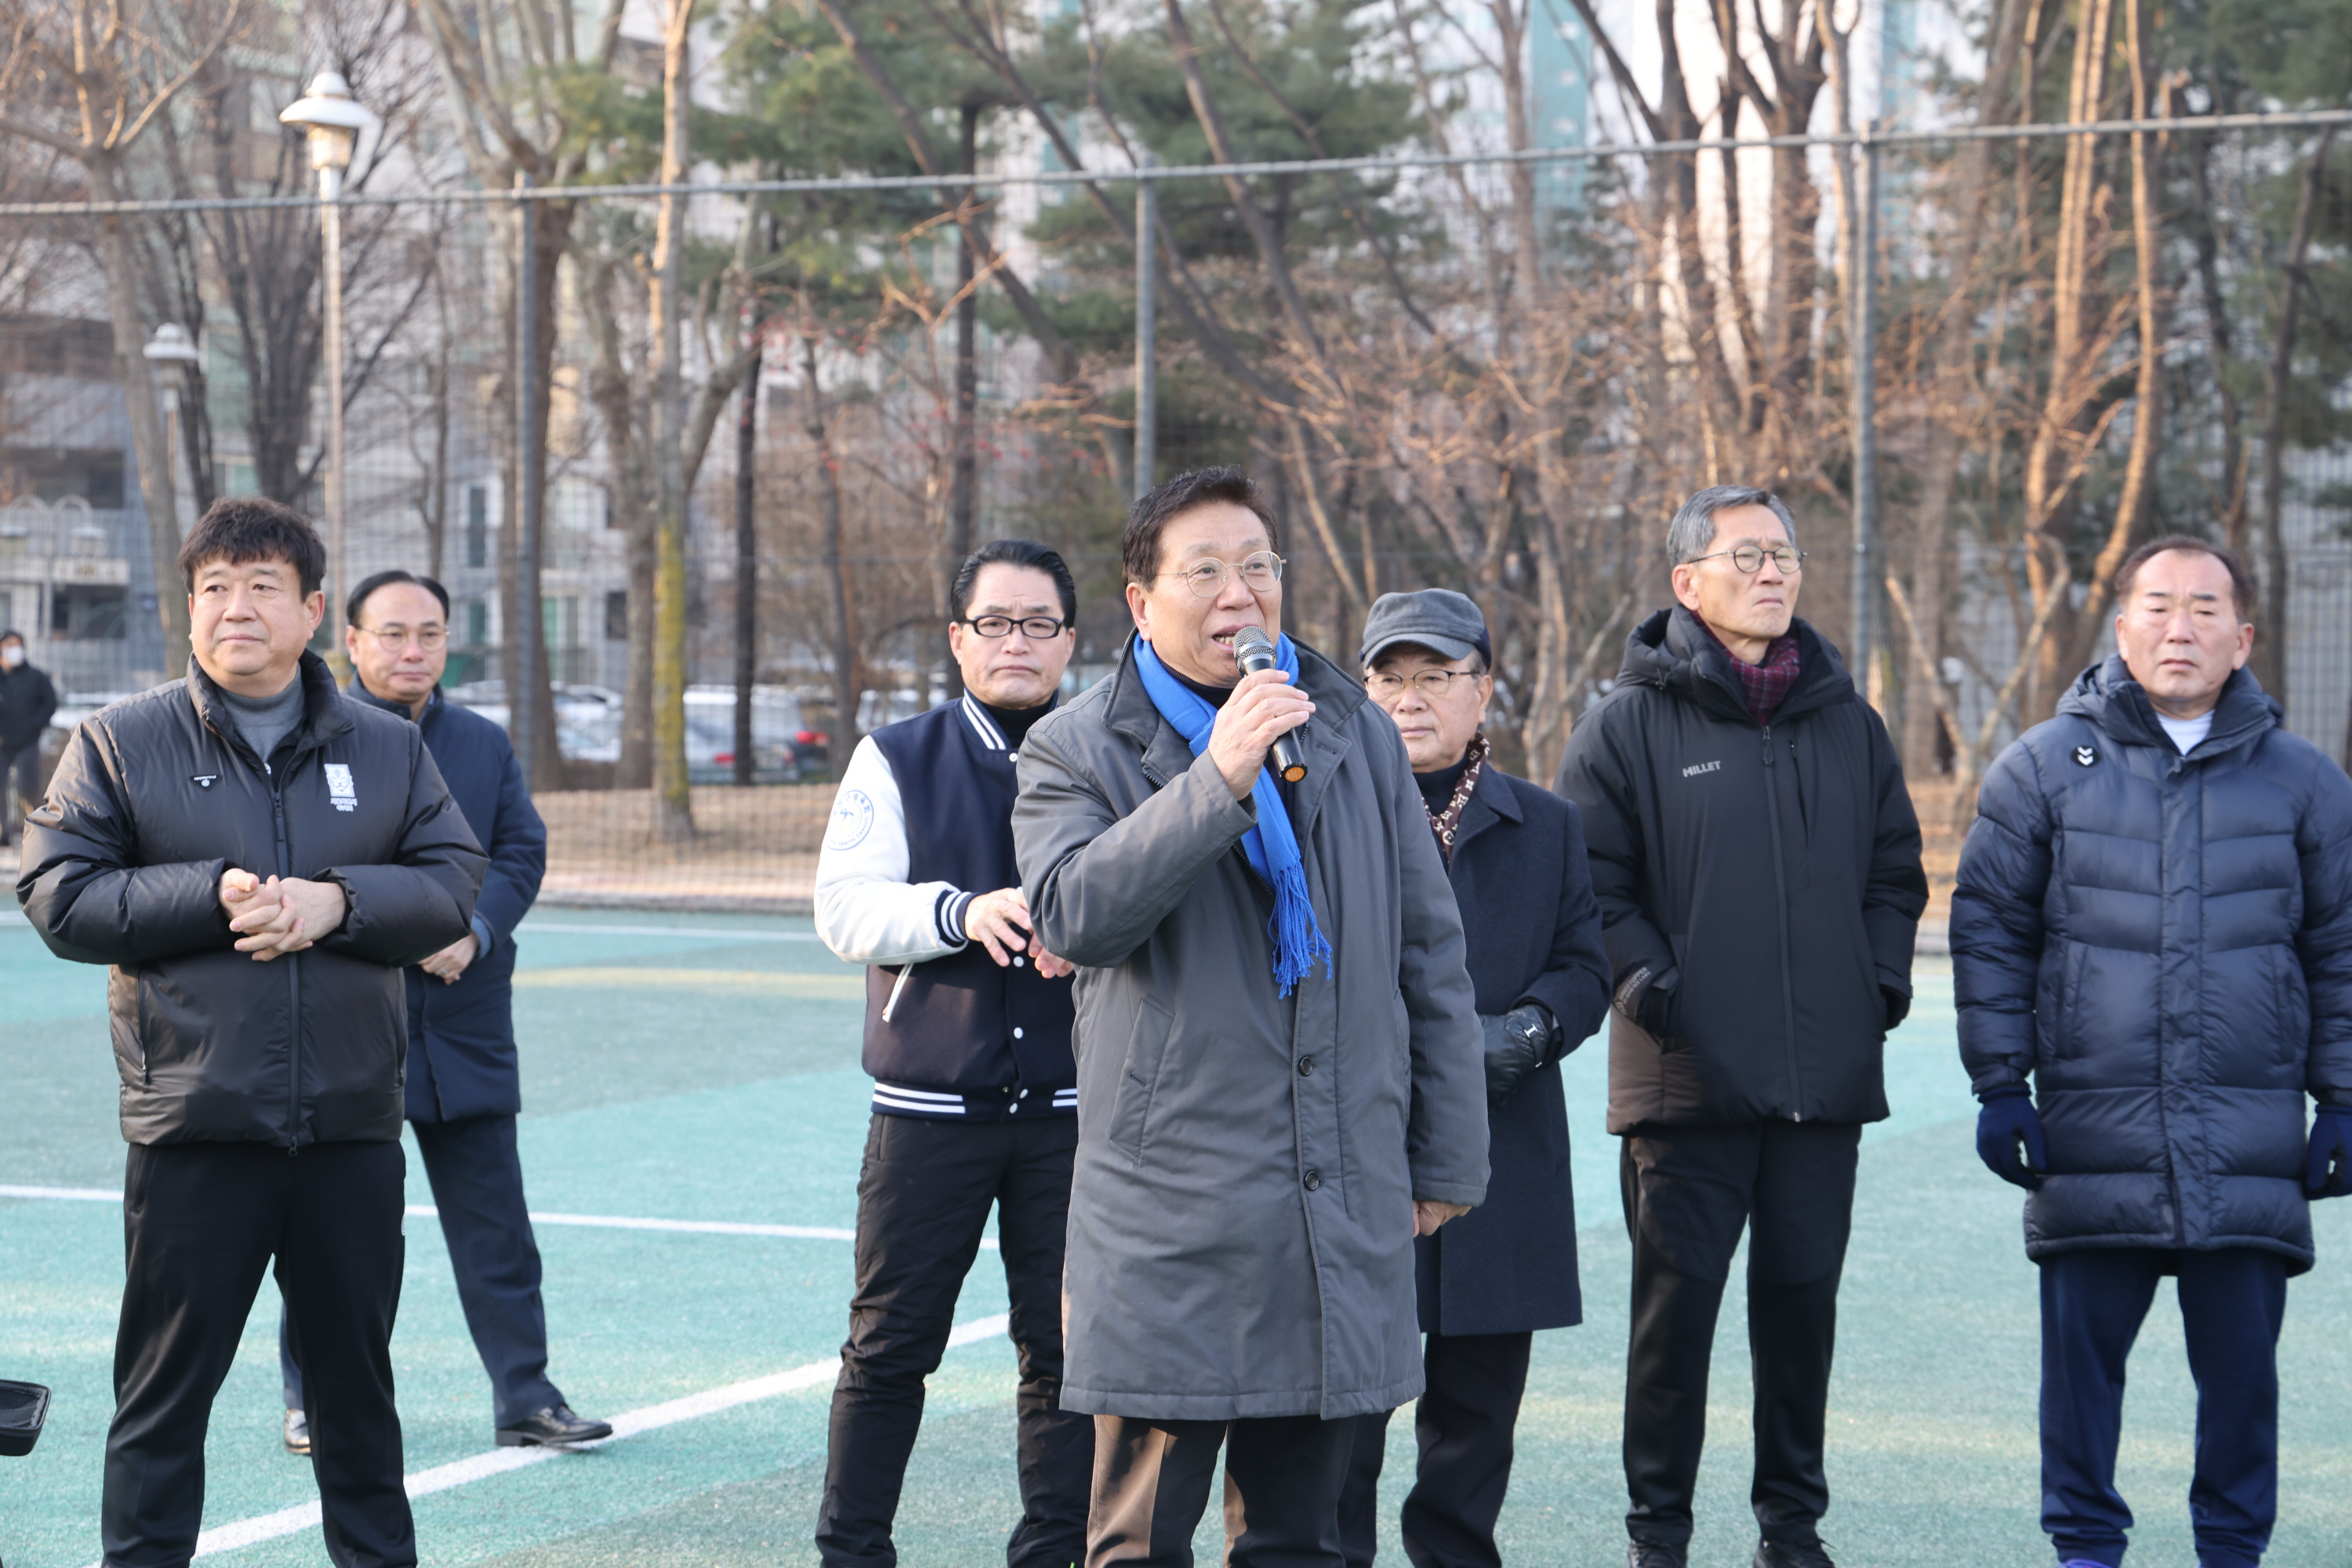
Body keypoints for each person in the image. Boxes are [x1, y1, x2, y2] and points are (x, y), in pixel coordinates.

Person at [1012, 467, 1489, 1568]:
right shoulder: (1075, 749)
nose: (1243, 593)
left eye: (1260, 565)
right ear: (1141, 603)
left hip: (1338, 1193)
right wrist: (1216, 777)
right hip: (1172, 1213)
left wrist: (1444, 1157)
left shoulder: (1350, 731)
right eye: (1207, 571)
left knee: (1302, 1542)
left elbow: (1428, 946)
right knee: (1139, 1543)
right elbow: (1075, 913)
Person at [17, 497, 485, 1568]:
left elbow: (454, 883)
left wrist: (335, 905)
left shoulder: (388, 749)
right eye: (216, 587)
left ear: (313, 611)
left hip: (350, 1136)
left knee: (358, 1412)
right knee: (160, 1410)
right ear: (189, 610)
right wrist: (211, 895)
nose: (238, 607)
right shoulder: (118, 741)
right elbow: (56, 894)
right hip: (193, 1131)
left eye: (263, 585)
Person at [1951, 536, 2352, 1568]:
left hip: (2246, 1139)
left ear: (2243, 637)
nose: (2182, 627)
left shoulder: (2306, 782)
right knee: (2080, 1381)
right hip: (2093, 1133)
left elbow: (2341, 947)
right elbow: (1992, 931)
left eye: (2207, 609)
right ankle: (2085, 1551)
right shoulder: (2040, 768)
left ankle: (2233, 1552)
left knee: (2244, 1388)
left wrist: (2345, 1101)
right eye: (2160, 606)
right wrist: (2001, 1087)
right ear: (2122, 624)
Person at [1552, 485, 1926, 1568]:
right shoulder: (1624, 724)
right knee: (1675, 1329)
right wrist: (1657, 992)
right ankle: (1658, 1535)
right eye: (1749, 555)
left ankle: (1790, 1531)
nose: (1775, 572)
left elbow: (1894, 874)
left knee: (1801, 1318)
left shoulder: (1850, 722)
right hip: (1687, 1085)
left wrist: (1880, 987)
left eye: (1787, 554)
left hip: (1825, 1086)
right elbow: (1592, 883)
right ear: (1688, 582)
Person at [267, 568, 609, 1456]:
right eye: (392, 634)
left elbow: (519, 850)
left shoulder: (484, 745)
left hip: (466, 1025)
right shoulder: (306, 739)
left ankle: (526, 1396)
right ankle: (313, 1398)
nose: (411, 650)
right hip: (347, 1026)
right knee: (332, 1236)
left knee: (498, 1228)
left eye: (429, 634)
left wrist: (477, 930)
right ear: (349, 640)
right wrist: (395, 924)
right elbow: (301, 867)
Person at [813, 539, 1091, 1567]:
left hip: (1073, 1116)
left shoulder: (1113, 750)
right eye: (995, 623)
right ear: (957, 637)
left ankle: (1053, 1554)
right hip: (929, 1115)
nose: (1016, 641)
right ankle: (852, 1551)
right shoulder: (894, 755)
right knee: (888, 1350)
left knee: (1066, 1357)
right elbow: (842, 908)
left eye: (1038, 624)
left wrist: (1094, 926)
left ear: (1071, 638)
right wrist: (961, 911)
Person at [1339, 589, 1611, 1568]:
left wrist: (1530, 1030)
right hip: (1357, 1152)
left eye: (1436, 676)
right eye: (1388, 676)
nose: (1410, 699)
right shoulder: (1322, 811)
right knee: (1347, 1419)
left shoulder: (1544, 823)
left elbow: (1587, 964)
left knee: (1476, 1419)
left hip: (1502, 1153)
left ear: (1483, 691)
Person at [0, 627, 57, 846]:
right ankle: (2, 833)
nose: (14, 650)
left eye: (17, 645)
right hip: (2, 742)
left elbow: (50, 703)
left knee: (28, 788)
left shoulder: (36, 677)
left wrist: (35, 726)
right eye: (8, 645)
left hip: (28, 742)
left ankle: (41, 831)